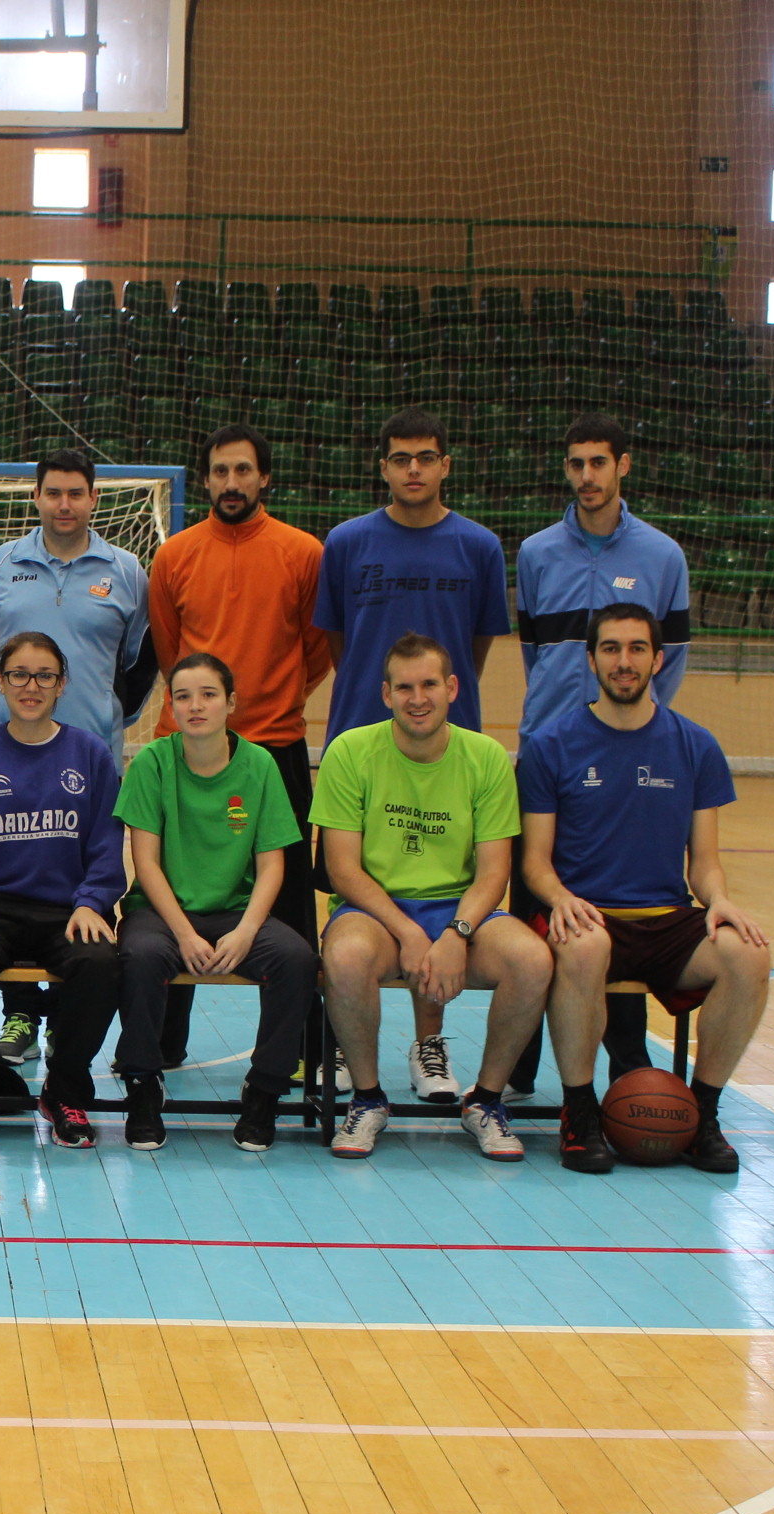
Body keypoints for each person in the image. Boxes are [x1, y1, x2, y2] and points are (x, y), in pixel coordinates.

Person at [519, 603, 764, 1176]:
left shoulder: (695, 746)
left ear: (658, 658)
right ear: (591, 659)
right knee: (584, 946)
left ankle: (702, 1113)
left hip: (666, 916)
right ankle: (579, 1113)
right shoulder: (552, 745)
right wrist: (558, 899)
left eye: (635, 649)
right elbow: (534, 863)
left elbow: (704, 862)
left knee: (749, 954)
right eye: (610, 648)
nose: (623, 661)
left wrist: (720, 900)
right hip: (586, 912)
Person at [314, 407, 515, 1105]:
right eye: (400, 458)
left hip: (444, 749)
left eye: (425, 457)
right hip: (365, 741)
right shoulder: (346, 543)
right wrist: (382, 701)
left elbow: (478, 646)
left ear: (445, 465)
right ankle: (346, 1041)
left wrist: (432, 700)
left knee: (441, 881)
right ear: (383, 467)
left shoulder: (481, 547)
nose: (413, 470)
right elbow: (338, 643)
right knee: (360, 891)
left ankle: (429, 1045)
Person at [506, 411, 696, 1092]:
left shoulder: (662, 557)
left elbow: (665, 662)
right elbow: (536, 653)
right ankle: (520, 1067)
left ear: (624, 466)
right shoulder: (534, 553)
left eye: (598, 463)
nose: (586, 476)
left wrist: (623, 726)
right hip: (545, 756)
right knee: (535, 903)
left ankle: (627, 1063)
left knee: (616, 904)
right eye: (575, 463)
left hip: (625, 760)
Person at [314, 633, 550, 1163]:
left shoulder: (486, 757)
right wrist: (409, 931)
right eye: (404, 687)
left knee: (532, 959)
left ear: (452, 688)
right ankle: (368, 1099)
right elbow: (343, 870)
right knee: (346, 955)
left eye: (428, 685)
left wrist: (456, 933)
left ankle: (486, 1102)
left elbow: (494, 871)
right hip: (376, 911)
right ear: (385, 694)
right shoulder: (350, 752)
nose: (416, 698)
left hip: (462, 909)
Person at [0, 449, 153, 1070]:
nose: (64, 504)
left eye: (76, 493)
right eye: (53, 493)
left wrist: (105, 720)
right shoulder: (2, 564)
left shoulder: (127, 571)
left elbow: (135, 662)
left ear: (94, 499)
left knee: (84, 888)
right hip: (13, 756)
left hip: (91, 763)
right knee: (12, 885)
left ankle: (68, 1029)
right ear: (36, 497)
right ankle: (21, 1015)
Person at [0, 632, 124, 1150]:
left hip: (67, 908)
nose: (30, 686)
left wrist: (92, 902)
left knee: (101, 961)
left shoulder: (91, 753)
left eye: (44, 676)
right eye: (18, 675)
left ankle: (65, 1091)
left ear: (62, 685)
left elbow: (106, 844)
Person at [111, 653, 316, 1155]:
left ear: (230, 703)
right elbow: (147, 865)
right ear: (172, 706)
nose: (195, 706)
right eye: (182, 696)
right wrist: (183, 933)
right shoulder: (153, 763)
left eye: (208, 695)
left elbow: (273, 865)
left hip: (236, 911)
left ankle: (264, 1089)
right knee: (137, 956)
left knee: (296, 960)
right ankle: (142, 1084)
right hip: (162, 913)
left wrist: (247, 930)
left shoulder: (261, 765)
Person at [147, 424, 331, 944]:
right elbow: (170, 654)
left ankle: (298, 1028)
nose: (232, 482)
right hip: (187, 751)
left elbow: (316, 652)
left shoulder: (303, 553)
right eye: (221, 471)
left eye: (243, 470)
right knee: (173, 911)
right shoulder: (174, 556)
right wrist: (205, 710)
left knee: (292, 914)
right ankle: (164, 1029)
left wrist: (272, 700)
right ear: (205, 480)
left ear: (265, 478)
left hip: (276, 748)